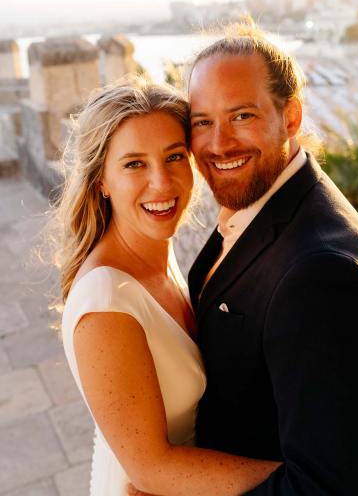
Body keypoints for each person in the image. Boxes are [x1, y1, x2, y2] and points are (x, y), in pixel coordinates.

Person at [184, 22, 358, 495]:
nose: (218, 143)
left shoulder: (324, 276)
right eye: (202, 121)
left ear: (291, 117)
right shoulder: (256, 205)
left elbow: (323, 489)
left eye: (241, 115)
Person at [58, 78, 281, 496]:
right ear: (100, 180)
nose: (161, 183)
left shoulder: (160, 252)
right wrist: (302, 483)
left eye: (174, 156)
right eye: (134, 164)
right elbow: (150, 468)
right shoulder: (106, 301)